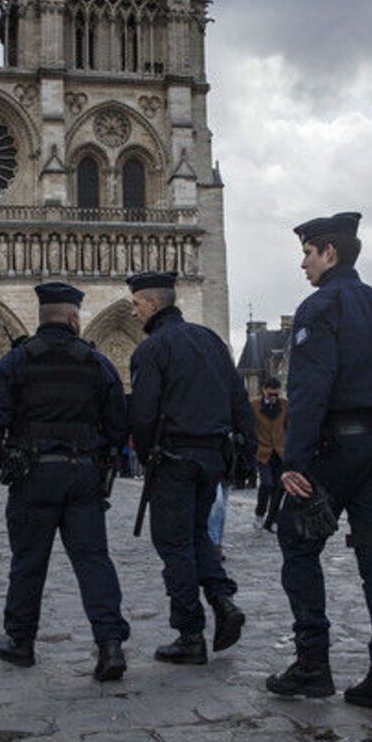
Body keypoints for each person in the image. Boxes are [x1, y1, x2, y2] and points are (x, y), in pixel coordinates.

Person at [266, 212, 372, 716]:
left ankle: (313, 664)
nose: (303, 264)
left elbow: (310, 390)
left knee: (298, 540)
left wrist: (296, 461)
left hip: (335, 449)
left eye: (307, 253)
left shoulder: (320, 305)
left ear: (329, 252)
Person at [0, 282, 131, 681]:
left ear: (42, 317)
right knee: (94, 562)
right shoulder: (97, 362)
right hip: (82, 475)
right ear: (74, 317)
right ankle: (110, 645)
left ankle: (20, 642)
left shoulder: (16, 361)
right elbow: (120, 424)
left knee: (28, 563)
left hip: (33, 476)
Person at [127, 271, 256, 666]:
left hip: (174, 458)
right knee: (198, 533)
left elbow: (143, 415)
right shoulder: (211, 341)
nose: (133, 313)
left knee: (173, 544)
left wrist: (148, 454)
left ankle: (189, 633)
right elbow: (239, 402)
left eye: (135, 305)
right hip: (212, 458)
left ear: (151, 304)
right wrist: (245, 456)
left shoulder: (151, 350)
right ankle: (223, 600)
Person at [252, 377, 288, 533]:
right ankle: (260, 513)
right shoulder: (254, 406)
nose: (273, 397)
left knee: (279, 489)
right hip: (263, 451)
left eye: (276, 394)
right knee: (267, 484)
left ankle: (272, 520)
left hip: (280, 452)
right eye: (270, 393)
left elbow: (290, 427)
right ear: (264, 390)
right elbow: (249, 426)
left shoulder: (285, 405)